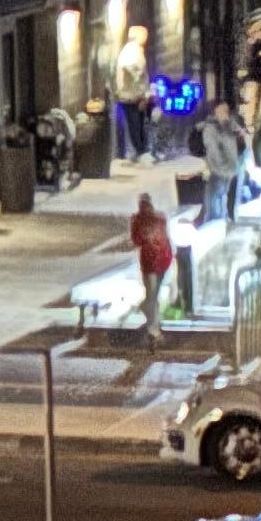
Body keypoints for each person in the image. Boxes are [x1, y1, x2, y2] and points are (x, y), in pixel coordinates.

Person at [131, 188, 174, 336]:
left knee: (151, 294)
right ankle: (154, 324)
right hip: (164, 260)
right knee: (154, 294)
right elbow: (166, 237)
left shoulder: (137, 220)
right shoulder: (161, 218)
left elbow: (136, 241)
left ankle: (152, 328)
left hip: (150, 263)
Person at [112, 24, 153, 163]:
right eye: (144, 35)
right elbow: (135, 73)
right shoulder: (131, 51)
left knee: (140, 123)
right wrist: (142, 93)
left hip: (135, 96)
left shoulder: (137, 51)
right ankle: (140, 151)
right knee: (135, 124)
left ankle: (142, 150)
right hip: (131, 97)